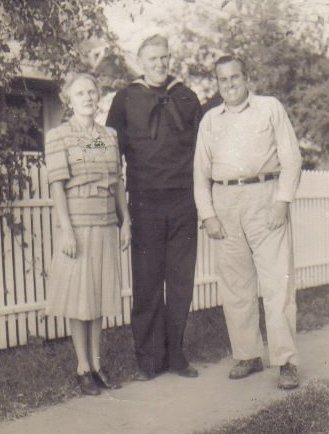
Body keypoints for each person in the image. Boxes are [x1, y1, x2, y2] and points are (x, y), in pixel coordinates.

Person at [194, 54, 302, 389]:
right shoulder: (210, 120)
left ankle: (285, 361)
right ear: (218, 84)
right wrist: (208, 214)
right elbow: (200, 172)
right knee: (236, 285)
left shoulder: (270, 108)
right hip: (225, 203)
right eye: (223, 80)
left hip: (265, 198)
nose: (230, 85)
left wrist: (282, 200)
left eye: (235, 77)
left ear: (247, 77)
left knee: (276, 283)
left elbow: (292, 158)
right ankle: (247, 354)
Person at [106, 35, 202, 380]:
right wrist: (76, 142)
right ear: (140, 60)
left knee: (180, 282)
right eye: (153, 58)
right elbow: (104, 142)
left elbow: (205, 147)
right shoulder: (124, 98)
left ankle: (176, 354)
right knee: (147, 282)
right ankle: (148, 358)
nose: (160, 64)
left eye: (164, 57)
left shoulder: (187, 97)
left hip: (183, 201)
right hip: (144, 202)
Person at [45, 72, 131, 396]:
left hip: (105, 222)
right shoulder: (59, 136)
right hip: (78, 226)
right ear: (68, 98)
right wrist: (66, 230)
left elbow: (117, 182)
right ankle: (82, 367)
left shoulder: (107, 136)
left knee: (97, 296)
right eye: (80, 93)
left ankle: (97, 364)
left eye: (92, 92)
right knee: (79, 298)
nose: (88, 98)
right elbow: (57, 186)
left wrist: (127, 222)